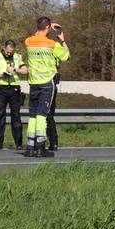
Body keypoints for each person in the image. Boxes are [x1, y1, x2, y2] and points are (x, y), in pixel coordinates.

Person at [23, 17, 70, 157]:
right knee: (42, 115)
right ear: (48, 28)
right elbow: (66, 56)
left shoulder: (28, 41)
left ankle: (30, 147)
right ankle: (41, 147)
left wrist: (45, 27)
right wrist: (62, 40)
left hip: (33, 82)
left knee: (32, 115)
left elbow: (36, 35)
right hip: (47, 83)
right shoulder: (52, 44)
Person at [0, 40, 28, 149]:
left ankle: (19, 143)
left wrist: (15, 69)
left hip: (14, 90)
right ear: (4, 48)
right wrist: (2, 75)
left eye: (11, 52)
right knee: (0, 116)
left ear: (14, 50)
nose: (9, 54)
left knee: (16, 116)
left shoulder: (18, 57)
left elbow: (25, 70)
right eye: (7, 52)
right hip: (1, 89)